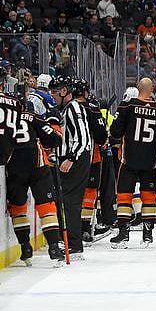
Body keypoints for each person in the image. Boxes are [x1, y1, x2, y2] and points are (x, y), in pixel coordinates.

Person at [4, 89, 65, 264]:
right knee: (47, 207)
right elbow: (55, 139)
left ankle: (25, 247)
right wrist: (54, 122)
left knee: (17, 208)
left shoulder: (3, 118)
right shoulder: (32, 116)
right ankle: (54, 248)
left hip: (14, 168)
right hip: (38, 166)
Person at [109, 78, 156, 248]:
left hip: (128, 159)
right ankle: (147, 235)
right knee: (149, 196)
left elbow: (115, 131)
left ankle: (123, 234)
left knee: (124, 195)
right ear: (152, 89)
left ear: (137, 88)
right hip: (151, 161)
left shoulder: (127, 106)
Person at [50, 76, 92, 260]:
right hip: (71, 159)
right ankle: (71, 242)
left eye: (54, 91)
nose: (52, 95)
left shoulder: (74, 107)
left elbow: (83, 138)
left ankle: (74, 245)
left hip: (76, 160)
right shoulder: (67, 108)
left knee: (70, 202)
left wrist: (71, 158)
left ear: (64, 91)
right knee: (66, 200)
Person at [80, 84, 111, 244]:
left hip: (77, 158)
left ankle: (79, 226)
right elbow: (102, 137)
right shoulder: (92, 110)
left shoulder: (67, 109)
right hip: (92, 158)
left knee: (80, 192)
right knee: (90, 192)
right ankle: (85, 227)